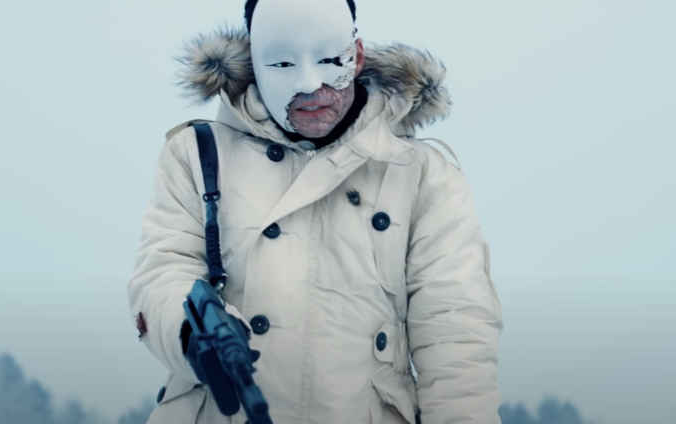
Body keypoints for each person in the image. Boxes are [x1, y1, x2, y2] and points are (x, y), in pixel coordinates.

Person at [127, 0, 503, 422]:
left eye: (329, 60)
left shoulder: (422, 176)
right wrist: (190, 329)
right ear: (254, 62)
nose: (309, 84)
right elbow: (163, 271)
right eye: (283, 63)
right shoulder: (196, 156)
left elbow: (455, 334)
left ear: (356, 55)